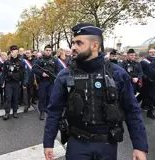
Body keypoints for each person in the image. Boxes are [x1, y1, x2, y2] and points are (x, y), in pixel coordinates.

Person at [43, 23, 147, 160]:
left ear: (95, 46)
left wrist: (139, 146)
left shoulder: (117, 74)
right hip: (77, 144)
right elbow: (54, 111)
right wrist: (48, 143)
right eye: (73, 43)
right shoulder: (65, 75)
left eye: (79, 43)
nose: (73, 47)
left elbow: (132, 110)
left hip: (107, 144)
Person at [33, 45, 63, 120]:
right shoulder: (40, 60)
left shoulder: (55, 60)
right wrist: (41, 73)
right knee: (42, 97)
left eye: (49, 50)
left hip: (52, 81)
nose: (48, 51)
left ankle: (48, 110)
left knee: (51, 97)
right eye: (47, 50)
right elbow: (34, 69)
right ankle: (42, 112)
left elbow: (59, 69)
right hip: (42, 82)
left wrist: (56, 76)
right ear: (44, 50)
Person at [1, 45, 28, 120]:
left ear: (16, 52)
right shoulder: (7, 62)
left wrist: (24, 82)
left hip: (16, 83)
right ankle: (7, 112)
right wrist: (2, 82)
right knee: (8, 97)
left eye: (13, 51)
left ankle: (15, 111)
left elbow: (25, 73)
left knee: (16, 98)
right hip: (9, 83)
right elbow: (3, 73)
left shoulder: (21, 62)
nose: (11, 53)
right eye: (11, 51)